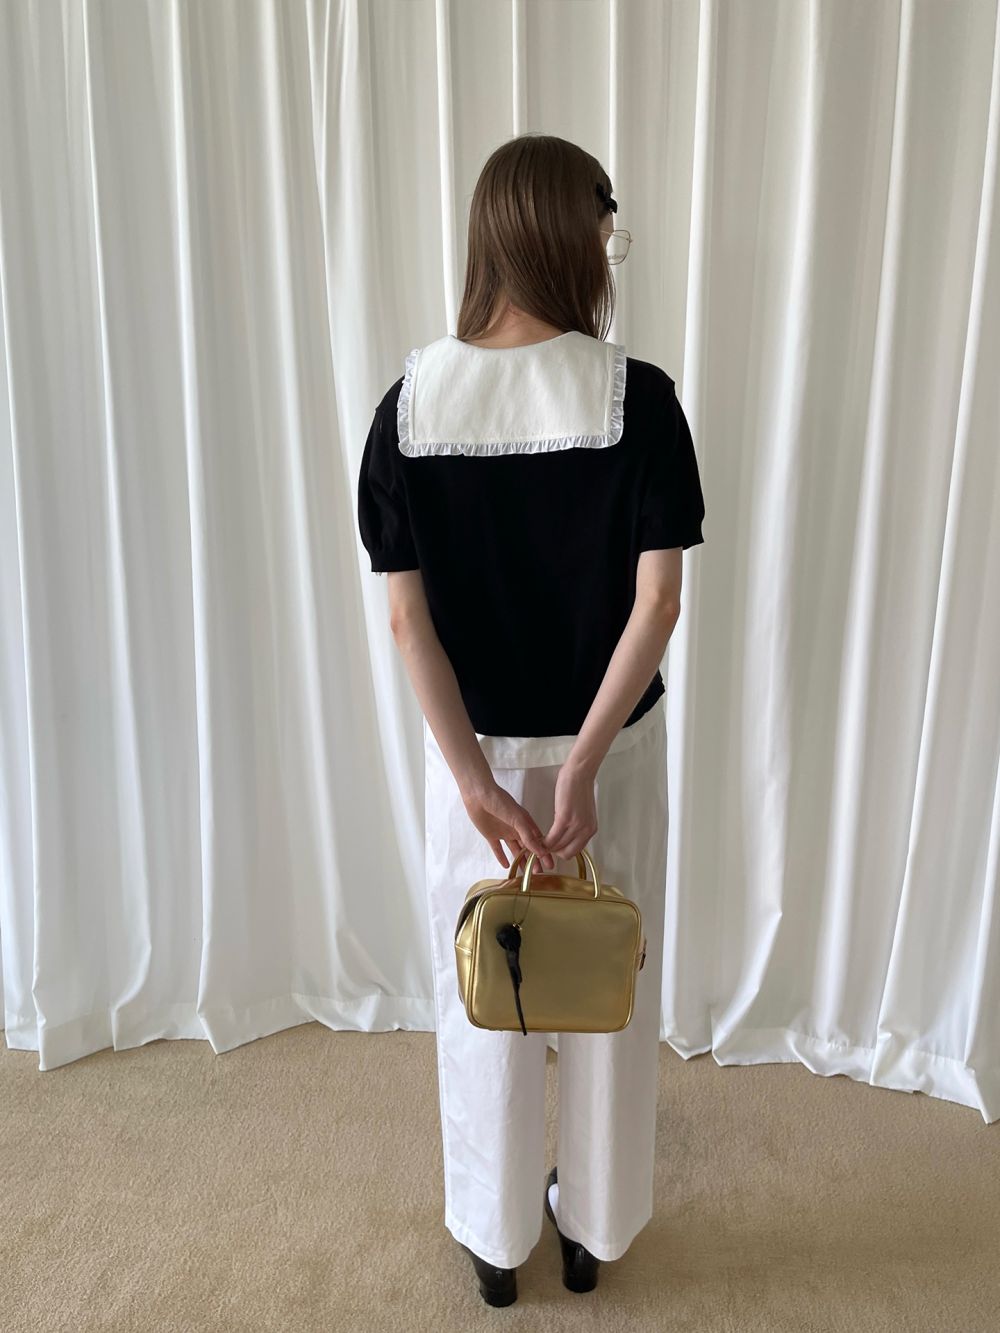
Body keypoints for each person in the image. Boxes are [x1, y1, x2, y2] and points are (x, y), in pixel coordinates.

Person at [356, 133, 705, 1306]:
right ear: (572, 239)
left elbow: (408, 623)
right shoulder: (639, 400)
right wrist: (586, 763)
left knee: (485, 992)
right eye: (605, 234)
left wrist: (472, 783)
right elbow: (658, 604)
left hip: (481, 759)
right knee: (607, 987)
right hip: (612, 755)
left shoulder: (408, 408)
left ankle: (497, 1239)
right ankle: (590, 1228)